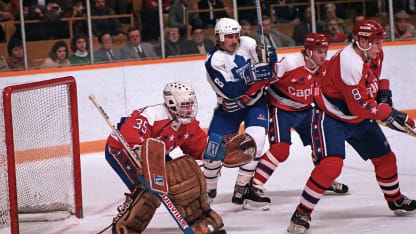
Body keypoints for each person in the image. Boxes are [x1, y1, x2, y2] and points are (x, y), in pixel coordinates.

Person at [287, 19, 416, 234]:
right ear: (361, 41)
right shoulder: (350, 62)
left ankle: (395, 200)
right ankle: (302, 212)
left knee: (385, 158)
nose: (379, 47)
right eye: (375, 42)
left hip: (356, 115)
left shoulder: (374, 53)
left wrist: (385, 96)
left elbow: (378, 78)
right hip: (331, 115)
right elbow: (359, 107)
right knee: (331, 166)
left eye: (380, 42)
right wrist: (390, 114)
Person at [105, 81, 225, 233]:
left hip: (154, 155)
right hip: (122, 150)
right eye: (184, 105)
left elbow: (198, 145)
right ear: (171, 103)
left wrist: (221, 152)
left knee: (180, 178)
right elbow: (130, 136)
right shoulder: (151, 115)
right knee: (149, 190)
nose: (189, 109)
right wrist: (146, 164)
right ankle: (125, 227)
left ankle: (199, 219)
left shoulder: (186, 122)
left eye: (190, 104)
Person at [247, 33, 348, 210]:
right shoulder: (290, 63)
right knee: (280, 150)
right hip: (281, 109)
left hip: (306, 109)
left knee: (322, 143)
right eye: (319, 51)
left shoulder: (325, 68)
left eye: (325, 51)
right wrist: (248, 95)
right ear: (308, 52)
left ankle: (325, 179)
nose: (323, 56)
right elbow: (264, 79)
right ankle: (254, 186)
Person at [203, 18, 276, 207]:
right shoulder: (213, 61)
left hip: (255, 103)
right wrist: (251, 75)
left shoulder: (249, 43)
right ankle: (209, 190)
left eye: (236, 36)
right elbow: (231, 91)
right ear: (219, 37)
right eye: (229, 37)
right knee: (212, 152)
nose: (234, 41)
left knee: (257, 141)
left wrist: (269, 57)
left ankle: (243, 189)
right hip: (229, 108)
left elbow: (269, 69)